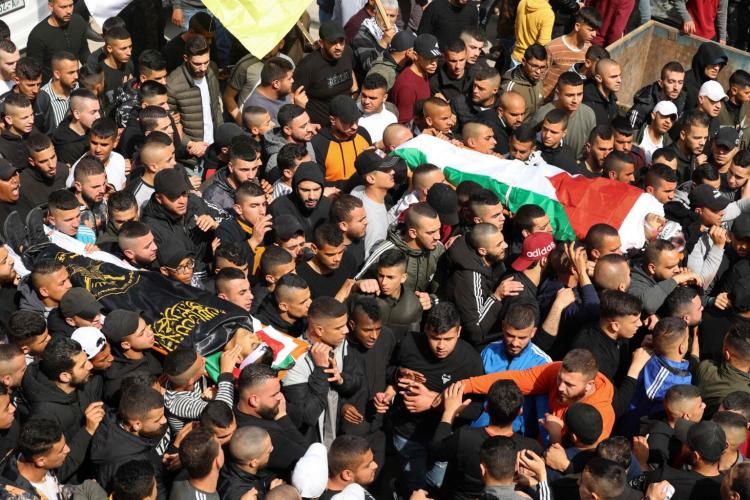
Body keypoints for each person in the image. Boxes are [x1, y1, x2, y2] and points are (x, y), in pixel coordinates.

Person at [386, 302, 484, 494]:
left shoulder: (470, 360)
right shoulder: (408, 344)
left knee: (436, 485)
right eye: (434, 338)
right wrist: (398, 374)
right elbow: (387, 371)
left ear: (459, 332)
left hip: (445, 439)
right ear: (425, 330)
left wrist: (434, 402)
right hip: (407, 434)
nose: (441, 346)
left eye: (448, 339)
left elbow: (475, 409)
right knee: (414, 486)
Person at [458, 348, 615, 442]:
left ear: (589, 385)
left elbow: (586, 458)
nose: (560, 387)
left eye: (569, 385)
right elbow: (517, 380)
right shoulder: (555, 370)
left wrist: (556, 438)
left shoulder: (601, 414)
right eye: (559, 379)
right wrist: (463, 386)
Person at [20, 336, 103, 469]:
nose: (90, 365)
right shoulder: (43, 416)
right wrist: (88, 430)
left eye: (87, 359)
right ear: (65, 376)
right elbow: (58, 469)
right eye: (83, 365)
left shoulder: (80, 382)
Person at [439, 223, 517, 347]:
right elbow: (475, 331)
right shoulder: (468, 278)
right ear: (482, 251)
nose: (506, 245)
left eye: (503, 241)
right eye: (499, 244)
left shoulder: (489, 259)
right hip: (466, 344)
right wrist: (496, 296)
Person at [90, 384, 171, 496]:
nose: (164, 420)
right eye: (158, 419)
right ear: (137, 425)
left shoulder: (114, 422)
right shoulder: (132, 468)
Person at [358, 201, 444, 297]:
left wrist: (432, 299)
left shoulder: (438, 249)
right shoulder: (384, 250)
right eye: (431, 232)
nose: (438, 236)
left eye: (439, 229)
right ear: (413, 233)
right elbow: (359, 283)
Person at [234, 364, 308, 476]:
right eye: (274, 395)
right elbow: (311, 459)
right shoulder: (266, 438)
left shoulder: (235, 409)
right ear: (254, 400)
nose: (280, 397)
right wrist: (282, 417)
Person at [166, 34, 222, 162]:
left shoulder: (211, 71)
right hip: (191, 155)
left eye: (206, 62)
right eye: (197, 64)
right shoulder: (173, 84)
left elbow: (216, 107)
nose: (203, 68)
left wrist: (220, 134)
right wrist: (189, 143)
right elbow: (169, 123)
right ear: (186, 58)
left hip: (214, 148)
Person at [293, 21, 356, 126]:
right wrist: (307, 124)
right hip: (321, 127)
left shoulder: (347, 52)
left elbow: (351, 71)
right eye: (333, 42)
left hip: (347, 121)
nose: (339, 47)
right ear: (321, 43)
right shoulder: (307, 66)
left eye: (341, 41)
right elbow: (293, 97)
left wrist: (355, 92)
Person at [644, 420, 725, 500]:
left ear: (695, 456)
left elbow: (639, 481)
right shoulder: (726, 489)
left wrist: (642, 464)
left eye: (685, 442)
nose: (681, 444)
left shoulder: (663, 479)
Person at [163, 346, 236, 433]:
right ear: (191, 381)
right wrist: (226, 372)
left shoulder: (182, 380)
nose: (205, 359)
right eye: (202, 363)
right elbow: (223, 413)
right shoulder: (179, 403)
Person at [100, 309, 162, 404]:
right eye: (142, 333)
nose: (150, 332)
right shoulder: (119, 385)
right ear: (126, 345)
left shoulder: (150, 348)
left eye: (146, 327)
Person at [533, 71, 597, 158]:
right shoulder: (542, 115)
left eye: (579, 94)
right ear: (558, 93)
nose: (575, 100)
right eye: (570, 95)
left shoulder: (588, 114)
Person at [311, 95, 372, 186]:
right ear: (332, 120)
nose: (355, 127)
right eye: (347, 122)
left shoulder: (363, 133)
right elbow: (317, 183)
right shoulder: (318, 143)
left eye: (356, 120)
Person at [543, 7, 601, 99]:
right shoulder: (552, 47)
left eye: (595, 31)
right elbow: (540, 78)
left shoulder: (590, 50)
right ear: (577, 26)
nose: (594, 34)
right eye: (590, 30)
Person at [26, 0, 90, 81]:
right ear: (51, 6)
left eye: (71, 5)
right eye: (63, 7)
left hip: (76, 80)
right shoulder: (37, 36)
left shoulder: (78, 22)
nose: (68, 11)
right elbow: (34, 71)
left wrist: (94, 71)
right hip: (52, 84)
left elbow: (84, 53)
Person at [269, 161, 332, 241]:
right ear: (295, 189)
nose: (312, 197)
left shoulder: (328, 206)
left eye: (316, 189)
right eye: (305, 190)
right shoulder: (278, 208)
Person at [350, 150, 397, 255]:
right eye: (386, 170)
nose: (393, 172)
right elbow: (372, 260)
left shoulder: (358, 189)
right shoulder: (375, 226)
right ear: (371, 178)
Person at [391, 33, 440, 125]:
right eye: (429, 58)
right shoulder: (407, 86)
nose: (434, 63)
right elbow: (404, 124)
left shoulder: (424, 72)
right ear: (416, 55)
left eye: (436, 58)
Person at [218, 426, 277, 499]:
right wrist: (272, 494)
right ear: (254, 463)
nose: (272, 449)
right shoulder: (243, 495)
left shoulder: (230, 460)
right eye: (268, 451)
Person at [242, 57, 304, 125]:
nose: (292, 80)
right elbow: (281, 131)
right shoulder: (257, 109)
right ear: (276, 84)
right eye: (289, 79)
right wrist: (299, 109)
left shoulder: (281, 91)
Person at [628, 61, 687, 131]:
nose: (676, 88)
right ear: (661, 83)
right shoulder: (644, 105)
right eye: (671, 82)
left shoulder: (681, 99)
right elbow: (629, 132)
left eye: (680, 82)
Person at [263, 104, 317, 176]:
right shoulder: (275, 162)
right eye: (303, 126)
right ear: (287, 130)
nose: (310, 129)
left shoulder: (304, 140)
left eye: (309, 122)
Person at [319, 435, 378, 499]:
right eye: (368, 465)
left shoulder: (352, 485)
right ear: (347, 474)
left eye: (373, 460)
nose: (375, 465)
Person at [351, 0, 399, 79]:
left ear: (397, 16)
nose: (387, 19)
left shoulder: (398, 33)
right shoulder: (363, 34)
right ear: (375, 13)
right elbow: (369, 67)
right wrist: (383, 42)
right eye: (384, 15)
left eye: (392, 16)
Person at [52, 88, 101, 166]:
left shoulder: (91, 128)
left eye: (98, 111)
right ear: (77, 114)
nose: (98, 116)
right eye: (93, 112)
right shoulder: (67, 148)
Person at [501, 44, 546, 119]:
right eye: (534, 66)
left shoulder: (537, 79)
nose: (538, 72)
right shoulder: (510, 87)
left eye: (542, 67)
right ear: (524, 61)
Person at [667, 110, 711, 184]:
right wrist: (695, 170)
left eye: (705, 138)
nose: (703, 143)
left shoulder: (698, 152)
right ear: (683, 135)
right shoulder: (667, 159)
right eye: (697, 138)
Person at [476, 91, 525, 155]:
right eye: (514, 115)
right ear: (500, 111)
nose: (520, 119)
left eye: (522, 114)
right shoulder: (487, 125)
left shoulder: (512, 124)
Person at [684, 42, 728, 112]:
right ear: (703, 62)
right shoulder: (684, 83)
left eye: (720, 64)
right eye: (713, 64)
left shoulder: (714, 85)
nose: (717, 68)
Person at [358, 73, 397, 145]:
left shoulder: (391, 118)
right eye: (364, 96)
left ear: (384, 97)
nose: (366, 101)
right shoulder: (351, 116)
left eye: (372, 98)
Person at [583, 58, 622, 126]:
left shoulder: (612, 99)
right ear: (599, 78)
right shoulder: (586, 104)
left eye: (620, 75)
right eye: (613, 77)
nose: (619, 80)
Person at [429, 39, 470, 103]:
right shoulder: (435, 83)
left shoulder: (475, 75)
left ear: (466, 56)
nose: (458, 66)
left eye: (462, 60)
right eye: (453, 61)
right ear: (445, 58)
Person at [638, 100, 678, 165]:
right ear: (653, 115)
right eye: (664, 115)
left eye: (672, 118)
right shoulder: (634, 135)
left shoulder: (670, 146)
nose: (668, 121)